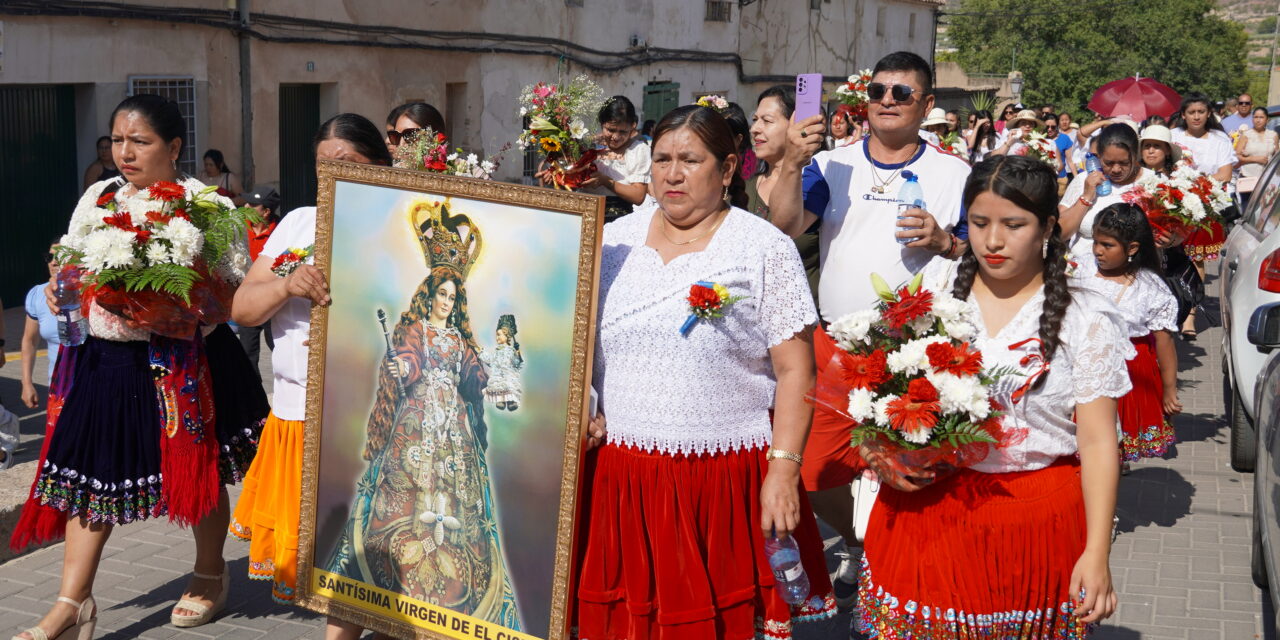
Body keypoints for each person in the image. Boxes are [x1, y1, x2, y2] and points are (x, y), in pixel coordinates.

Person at [9, 94, 267, 640]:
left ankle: (209, 573)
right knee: (89, 477)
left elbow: (231, 294)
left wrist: (171, 300)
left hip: (184, 363)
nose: (124, 152)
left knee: (199, 472)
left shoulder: (207, 208)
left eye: (140, 141)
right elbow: (71, 264)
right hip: (105, 361)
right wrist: (61, 293)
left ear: (174, 147)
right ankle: (71, 601)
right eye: (118, 140)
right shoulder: (98, 196)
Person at [575, 104, 836, 640]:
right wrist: (585, 405)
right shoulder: (609, 243)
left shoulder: (764, 248)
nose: (672, 174)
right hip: (621, 479)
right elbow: (577, 349)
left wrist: (783, 471)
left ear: (727, 168)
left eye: (690, 160)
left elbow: (796, 372)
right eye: (662, 159)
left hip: (719, 479)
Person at [855, 154, 1126, 638]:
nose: (993, 241)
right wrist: (878, 451)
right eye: (979, 223)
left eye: (1013, 224)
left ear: (1047, 227)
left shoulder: (1086, 317)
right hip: (929, 516)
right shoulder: (931, 294)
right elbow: (875, 394)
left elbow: (1100, 443)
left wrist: (1097, 551)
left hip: (1035, 524)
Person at [769, 50, 971, 609]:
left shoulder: (955, 174)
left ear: (926, 105)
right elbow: (784, 227)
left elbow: (983, 252)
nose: (886, 101)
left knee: (914, 473)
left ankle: (906, 576)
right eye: (878, 91)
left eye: (901, 94)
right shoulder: (830, 164)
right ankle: (868, 542)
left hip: (919, 350)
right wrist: (790, 160)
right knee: (812, 471)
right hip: (836, 344)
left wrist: (945, 241)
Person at [323, 207, 521, 628]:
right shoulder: (416, 330)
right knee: (405, 498)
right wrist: (404, 370)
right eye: (442, 295)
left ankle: (451, 596)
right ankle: (391, 585)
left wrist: (489, 377)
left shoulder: (459, 339)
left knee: (455, 502)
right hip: (415, 423)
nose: (447, 303)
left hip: (454, 433)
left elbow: (472, 376)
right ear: (429, 295)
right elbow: (408, 359)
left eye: (453, 297)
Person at [229, 114, 390, 614]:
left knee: (372, 558)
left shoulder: (401, 227)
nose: (333, 176)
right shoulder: (299, 223)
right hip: (301, 413)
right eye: (323, 167)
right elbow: (242, 308)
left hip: (373, 418)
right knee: (329, 563)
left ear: (382, 165)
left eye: (347, 163)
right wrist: (285, 285)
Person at [1076, 204, 1179, 465]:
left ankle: (1107, 497)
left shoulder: (1150, 287)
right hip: (1083, 366)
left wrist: (1169, 390)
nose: (1098, 251)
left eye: (1107, 245)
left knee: (1112, 450)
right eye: (1096, 242)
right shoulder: (1081, 269)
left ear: (1132, 248)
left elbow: (1164, 343)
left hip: (1130, 375)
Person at [748, 84, 823, 301]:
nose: (755, 129)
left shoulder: (816, 183)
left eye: (767, 121)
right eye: (755, 119)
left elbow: (783, 232)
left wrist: (793, 160)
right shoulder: (744, 186)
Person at [1171, 93, 1235, 337]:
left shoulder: (1219, 139)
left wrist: (1194, 183)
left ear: (1209, 113)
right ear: (1183, 115)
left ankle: (1190, 315)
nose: (1196, 116)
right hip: (1173, 204)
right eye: (1191, 112)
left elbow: (1225, 173)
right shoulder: (1174, 137)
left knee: (1195, 260)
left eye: (1201, 112)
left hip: (1203, 208)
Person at [1058, 123, 1158, 260]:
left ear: (1136, 156)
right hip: (1080, 271)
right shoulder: (1084, 180)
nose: (1116, 169)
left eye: (1124, 163)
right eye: (1109, 163)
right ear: (1098, 156)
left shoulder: (1155, 182)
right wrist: (1086, 197)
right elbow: (1059, 234)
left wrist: (1171, 240)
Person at [235, 185, 283, 376]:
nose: (246, 205)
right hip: (247, 299)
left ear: (266, 212)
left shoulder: (281, 232)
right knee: (247, 352)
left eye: (253, 204)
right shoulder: (239, 228)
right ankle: (254, 399)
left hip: (272, 301)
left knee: (278, 349)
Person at [580, 96, 651, 222]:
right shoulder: (587, 146)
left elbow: (638, 196)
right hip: (584, 215)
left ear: (632, 127)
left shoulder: (638, 150)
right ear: (602, 123)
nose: (616, 137)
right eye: (611, 130)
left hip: (618, 219)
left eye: (623, 132)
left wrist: (605, 181)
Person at [21, 242, 64, 409]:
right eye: (50, 257)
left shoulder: (91, 294)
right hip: (58, 389)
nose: (53, 262)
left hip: (94, 387)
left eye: (60, 257)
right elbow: (29, 341)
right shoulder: (37, 294)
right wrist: (26, 383)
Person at [1235, 105, 1278, 208]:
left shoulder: (1273, 135)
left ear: (1267, 120)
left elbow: (1276, 156)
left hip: (1267, 179)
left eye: (1261, 117)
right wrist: (1254, 159)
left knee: (1264, 209)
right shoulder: (1246, 135)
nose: (1258, 120)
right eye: (1256, 117)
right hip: (1248, 177)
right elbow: (1236, 156)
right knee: (1248, 208)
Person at [1046, 112, 1077, 196]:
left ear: (1057, 126)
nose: (1049, 129)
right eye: (1047, 126)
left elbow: (1070, 160)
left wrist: (1077, 179)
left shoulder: (1064, 138)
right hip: (1043, 179)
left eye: (1053, 127)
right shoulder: (1038, 139)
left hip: (1060, 179)